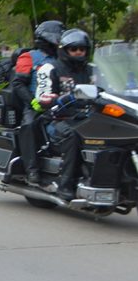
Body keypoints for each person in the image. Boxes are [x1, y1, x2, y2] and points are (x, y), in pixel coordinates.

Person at [33, 28, 93, 200]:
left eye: (82, 49)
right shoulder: (50, 68)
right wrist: (56, 99)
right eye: (74, 49)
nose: (79, 52)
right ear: (65, 50)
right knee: (74, 136)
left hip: (89, 118)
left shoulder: (92, 70)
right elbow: (41, 96)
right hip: (58, 119)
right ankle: (65, 184)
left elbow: (108, 88)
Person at [11, 20, 64, 185]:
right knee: (29, 125)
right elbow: (18, 84)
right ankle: (31, 169)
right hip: (37, 103)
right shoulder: (29, 57)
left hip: (63, 102)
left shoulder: (63, 57)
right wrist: (33, 102)